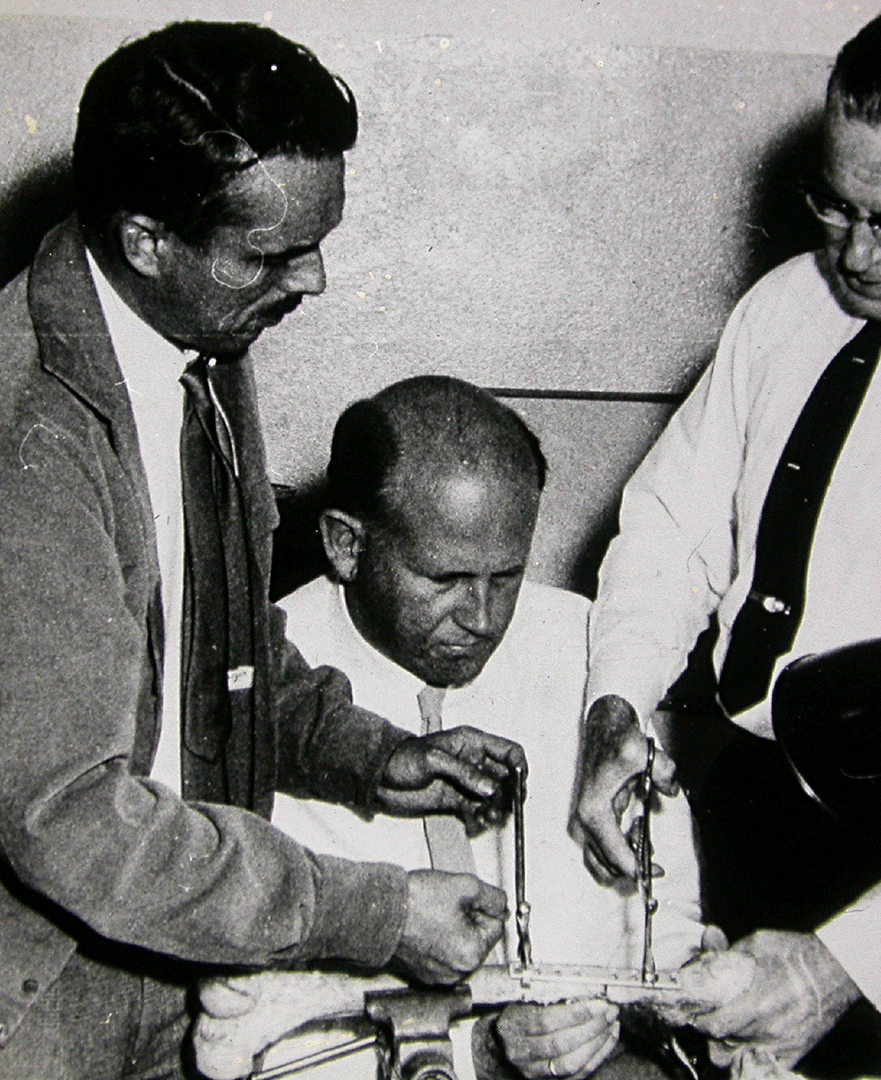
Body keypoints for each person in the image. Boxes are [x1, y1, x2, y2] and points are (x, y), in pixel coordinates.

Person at [0, 24, 523, 1078]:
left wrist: (367, 753)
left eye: (316, 241)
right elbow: (69, 815)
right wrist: (373, 912)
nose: (314, 279)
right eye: (272, 254)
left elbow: (210, 648)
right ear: (147, 239)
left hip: (179, 955)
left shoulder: (201, 339)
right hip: (42, 996)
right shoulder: (30, 433)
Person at [572, 3, 881, 1075]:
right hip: (756, 813)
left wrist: (846, 965)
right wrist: (617, 703)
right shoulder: (783, 310)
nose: (853, 253)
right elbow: (671, 527)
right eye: (834, 204)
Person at [196, 375, 703, 1080]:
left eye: (508, 576)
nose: (483, 618)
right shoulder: (257, 693)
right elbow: (244, 1031)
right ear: (346, 544)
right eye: (446, 580)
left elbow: (667, 918)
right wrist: (475, 1054)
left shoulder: (592, 651)